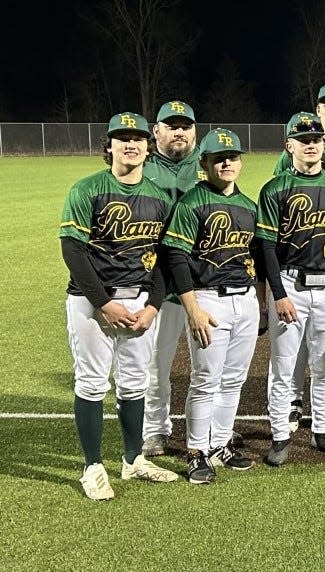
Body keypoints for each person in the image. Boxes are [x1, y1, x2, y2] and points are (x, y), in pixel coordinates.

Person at [61, 112, 180, 500]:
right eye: (122, 138)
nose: (131, 144)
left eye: (138, 138)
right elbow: (73, 250)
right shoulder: (88, 188)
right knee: (92, 383)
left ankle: (133, 460)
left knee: (133, 384)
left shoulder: (160, 198)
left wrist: (154, 307)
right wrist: (102, 302)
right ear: (108, 145)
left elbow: (165, 257)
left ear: (149, 146)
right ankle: (92, 467)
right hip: (91, 302)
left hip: (140, 303)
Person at [257, 112, 325, 466]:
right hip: (291, 283)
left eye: (316, 140)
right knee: (283, 366)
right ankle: (280, 435)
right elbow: (267, 247)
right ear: (289, 145)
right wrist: (278, 293)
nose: (310, 145)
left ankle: (321, 430)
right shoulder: (275, 189)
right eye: (303, 140)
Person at [161, 128, 260, 483]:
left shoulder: (249, 206)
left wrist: (259, 302)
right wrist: (192, 308)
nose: (227, 162)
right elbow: (176, 258)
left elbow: (258, 257)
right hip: (207, 299)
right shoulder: (191, 203)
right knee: (205, 380)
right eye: (219, 158)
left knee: (234, 380)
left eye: (232, 157)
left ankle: (219, 444)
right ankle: (196, 451)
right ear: (204, 163)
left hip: (245, 300)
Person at [141, 100, 202, 457]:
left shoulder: (210, 164)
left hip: (202, 280)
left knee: (209, 364)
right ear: (157, 131)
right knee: (155, 363)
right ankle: (155, 430)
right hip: (157, 282)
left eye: (185, 125)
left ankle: (208, 428)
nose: (179, 131)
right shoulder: (143, 168)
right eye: (171, 125)